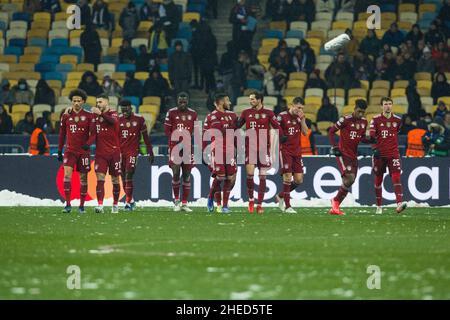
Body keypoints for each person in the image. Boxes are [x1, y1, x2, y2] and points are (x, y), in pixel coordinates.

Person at [237, 91, 282, 214]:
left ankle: (259, 204)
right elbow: (237, 125)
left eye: (252, 99)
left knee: (263, 176)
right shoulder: (246, 113)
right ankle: (251, 200)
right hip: (250, 148)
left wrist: (282, 137)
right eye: (250, 99)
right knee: (250, 175)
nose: (250, 101)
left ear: (259, 100)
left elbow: (277, 127)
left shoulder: (269, 113)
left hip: (263, 148)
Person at [328, 99, 373, 215]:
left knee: (349, 182)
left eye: (363, 112)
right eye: (359, 111)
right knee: (350, 178)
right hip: (343, 154)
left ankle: (335, 204)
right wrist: (334, 147)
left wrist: (371, 140)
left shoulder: (364, 122)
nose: (361, 114)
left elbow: (361, 137)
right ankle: (335, 202)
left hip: (353, 155)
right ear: (355, 109)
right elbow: (331, 132)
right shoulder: (345, 120)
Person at [369, 97, 407, 215]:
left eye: (390, 104)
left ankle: (399, 203)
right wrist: (375, 149)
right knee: (378, 180)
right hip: (380, 154)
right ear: (381, 106)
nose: (388, 106)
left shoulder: (398, 120)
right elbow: (371, 136)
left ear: (392, 105)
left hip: (393, 153)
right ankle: (379, 206)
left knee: (396, 177)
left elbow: (397, 131)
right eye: (385, 104)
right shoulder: (375, 120)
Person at [57, 89, 93, 213]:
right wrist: (59, 150)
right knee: (67, 176)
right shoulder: (66, 115)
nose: (76, 103)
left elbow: (94, 134)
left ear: (83, 101)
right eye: (74, 101)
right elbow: (62, 134)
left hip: (83, 152)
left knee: (83, 178)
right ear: (71, 102)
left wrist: (88, 144)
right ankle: (67, 204)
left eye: (79, 101)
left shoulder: (89, 115)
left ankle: (82, 206)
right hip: (70, 151)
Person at [86, 95, 122, 213]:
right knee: (100, 178)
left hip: (114, 153)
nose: (98, 104)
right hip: (100, 154)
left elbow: (113, 121)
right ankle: (100, 205)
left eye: (100, 102)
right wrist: (87, 144)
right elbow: (93, 134)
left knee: (115, 180)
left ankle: (115, 204)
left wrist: (100, 114)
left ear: (107, 102)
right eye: (97, 102)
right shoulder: (95, 117)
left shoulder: (114, 113)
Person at [164, 92, 198, 212]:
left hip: (188, 148)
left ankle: (184, 203)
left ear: (187, 101)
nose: (182, 103)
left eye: (184, 101)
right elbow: (167, 130)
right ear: (177, 101)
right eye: (180, 101)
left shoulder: (193, 114)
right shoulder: (171, 112)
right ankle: (177, 201)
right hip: (175, 148)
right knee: (176, 172)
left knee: (187, 175)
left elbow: (197, 131)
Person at [203, 93, 237, 213]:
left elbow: (235, 133)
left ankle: (225, 205)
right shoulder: (212, 116)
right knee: (220, 176)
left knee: (229, 178)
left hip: (230, 150)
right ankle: (211, 198)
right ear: (222, 102)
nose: (230, 103)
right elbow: (218, 131)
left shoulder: (232, 115)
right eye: (228, 100)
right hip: (217, 150)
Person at [118, 99, 154, 211]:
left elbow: (145, 137)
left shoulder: (139, 119)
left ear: (131, 108)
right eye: (123, 110)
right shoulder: (117, 120)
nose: (125, 112)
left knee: (129, 174)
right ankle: (131, 200)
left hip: (133, 152)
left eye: (126, 109)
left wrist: (150, 151)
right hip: (120, 153)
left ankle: (127, 203)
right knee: (123, 177)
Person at [274, 97, 308, 213]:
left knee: (298, 180)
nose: (300, 110)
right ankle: (287, 206)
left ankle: (281, 195)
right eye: (298, 107)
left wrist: (303, 119)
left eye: (302, 108)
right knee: (288, 177)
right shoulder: (282, 116)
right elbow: (274, 129)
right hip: (285, 151)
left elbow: (305, 132)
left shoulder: (300, 118)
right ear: (292, 105)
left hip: (297, 152)